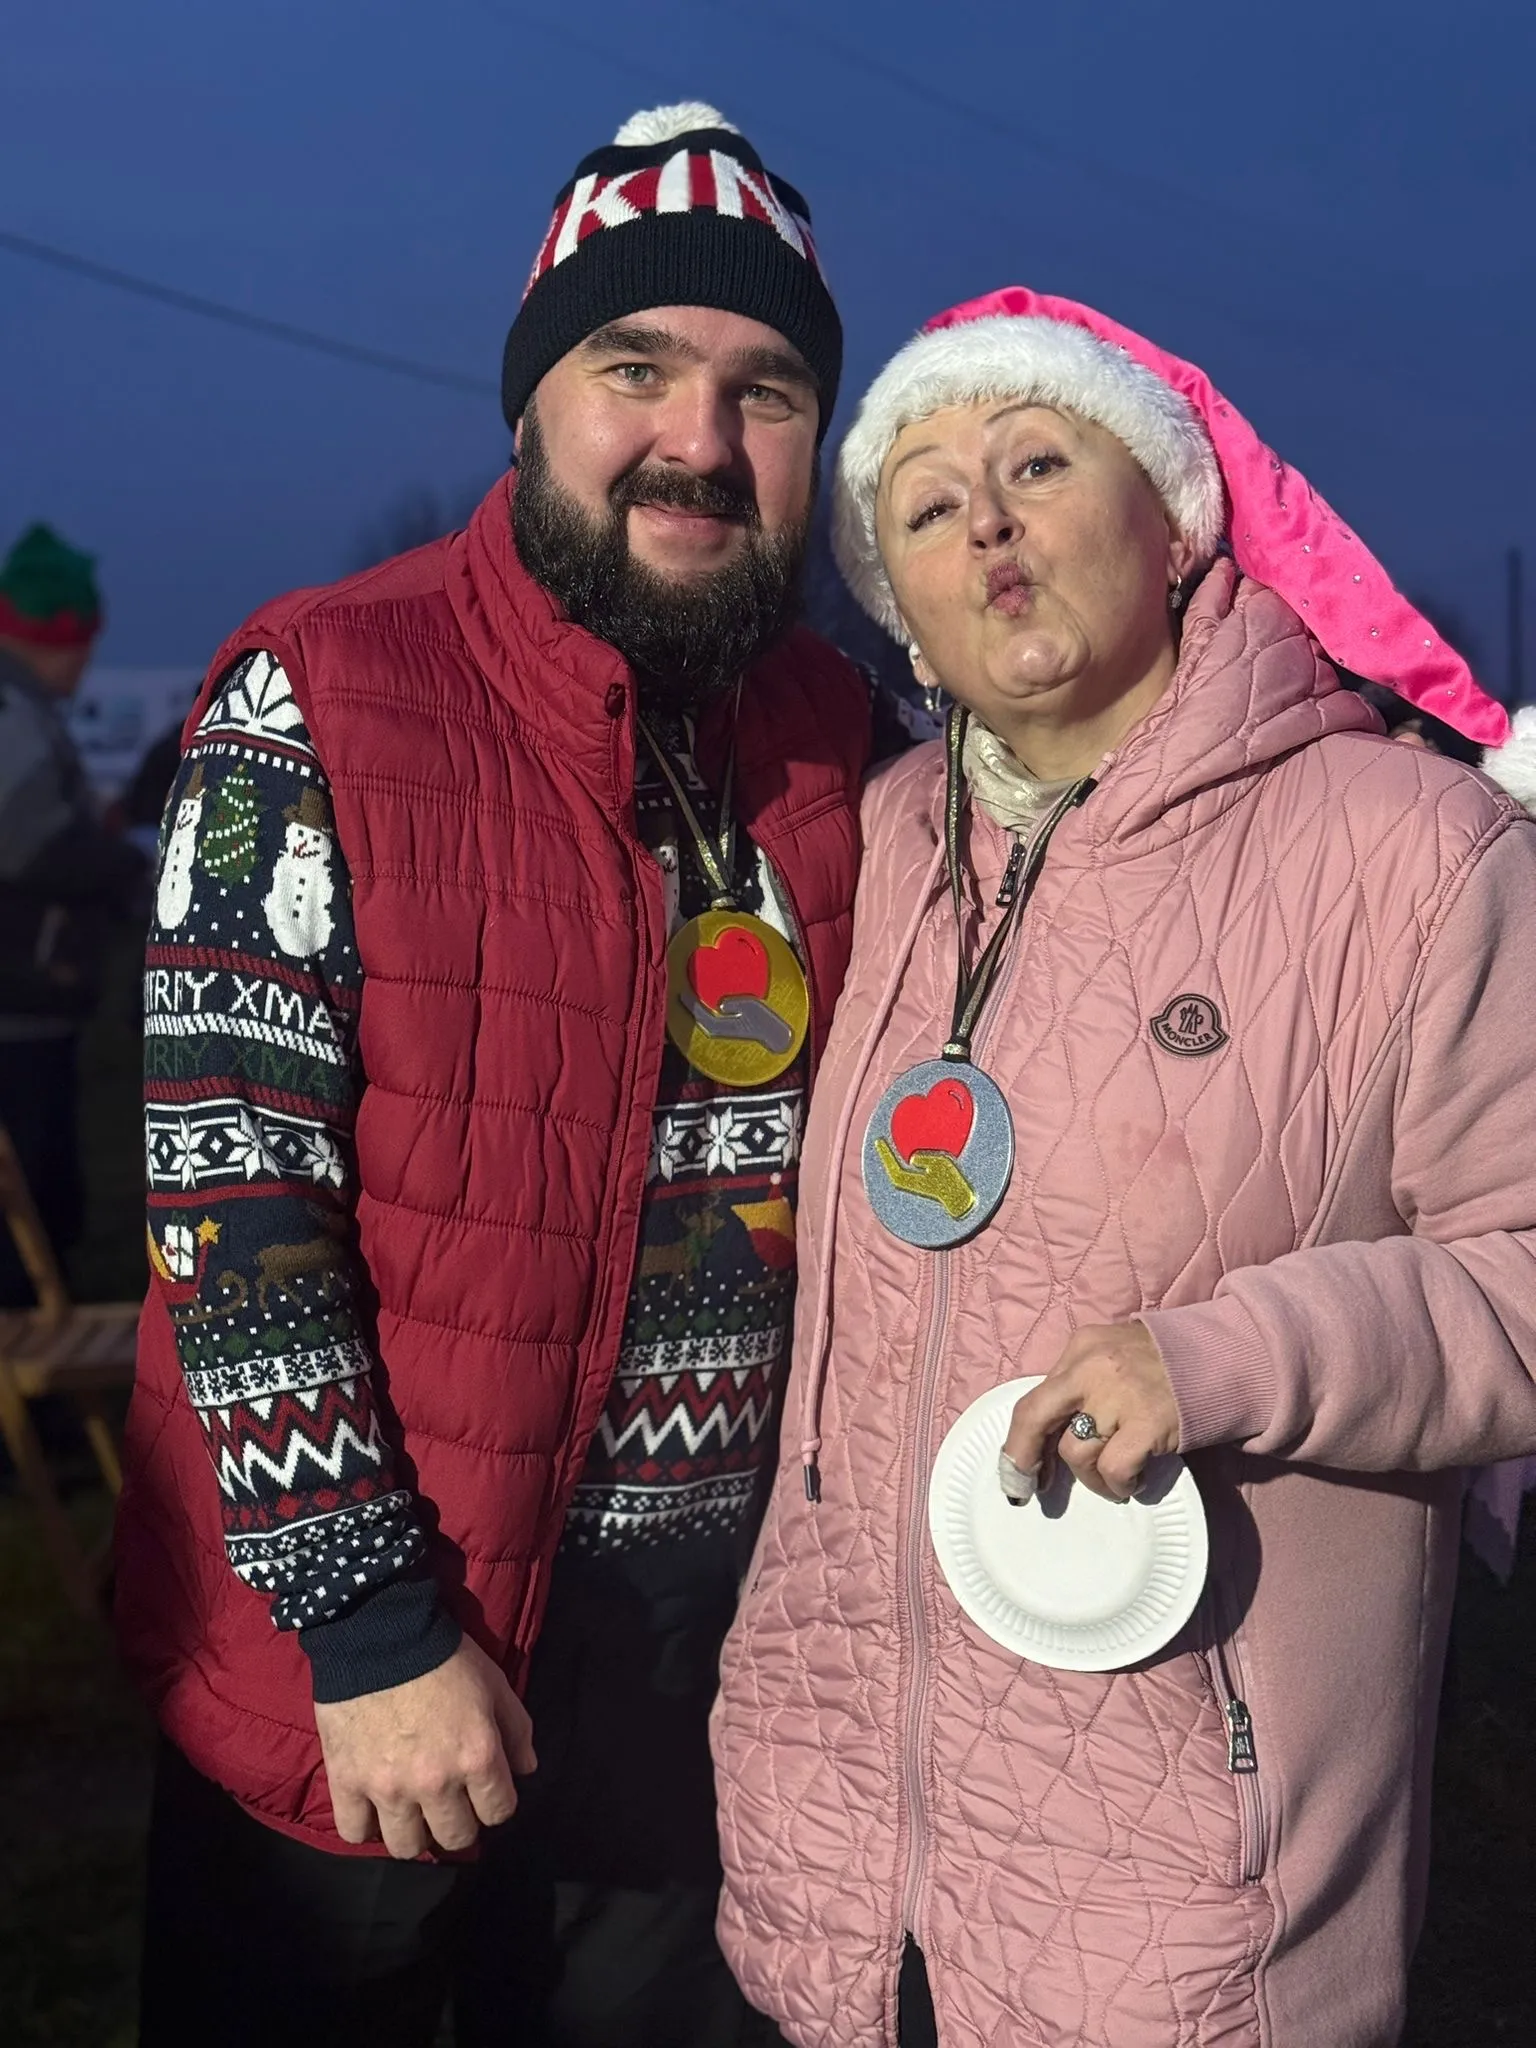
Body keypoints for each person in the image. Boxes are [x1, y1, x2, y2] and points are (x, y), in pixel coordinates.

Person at [115, 101, 866, 2048]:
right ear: (531, 401)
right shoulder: (316, 688)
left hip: (693, 1685)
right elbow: (226, 1193)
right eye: (638, 368)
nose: (700, 439)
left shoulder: (842, 745)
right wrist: (366, 1623)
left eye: (767, 389)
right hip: (375, 1659)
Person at [712, 287, 1536, 2048]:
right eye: (927, 505)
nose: (985, 525)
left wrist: (1227, 1356)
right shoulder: (882, 846)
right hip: (838, 1865)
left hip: (1188, 1907)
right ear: (901, 611)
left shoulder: (1416, 849)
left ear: (1174, 521)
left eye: (1035, 463)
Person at [0, 523, 142, 1301]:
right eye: (82, 643)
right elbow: (27, 844)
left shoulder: (24, 711)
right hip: (17, 1002)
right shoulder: (10, 714)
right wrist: (128, 862)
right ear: (52, 635)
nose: (87, 662)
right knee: (30, 1210)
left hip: (31, 999)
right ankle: (30, 1357)